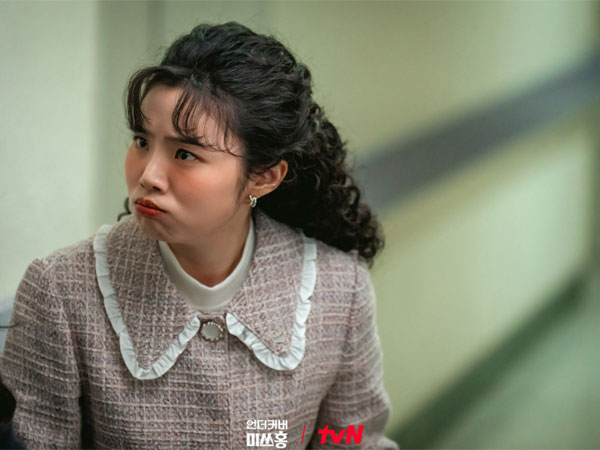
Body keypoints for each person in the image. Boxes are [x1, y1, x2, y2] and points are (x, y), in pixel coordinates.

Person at [1, 22, 398, 449]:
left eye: (185, 154)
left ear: (264, 177)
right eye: (141, 141)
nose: (148, 176)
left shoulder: (339, 290)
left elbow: (350, 438)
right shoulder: (60, 292)